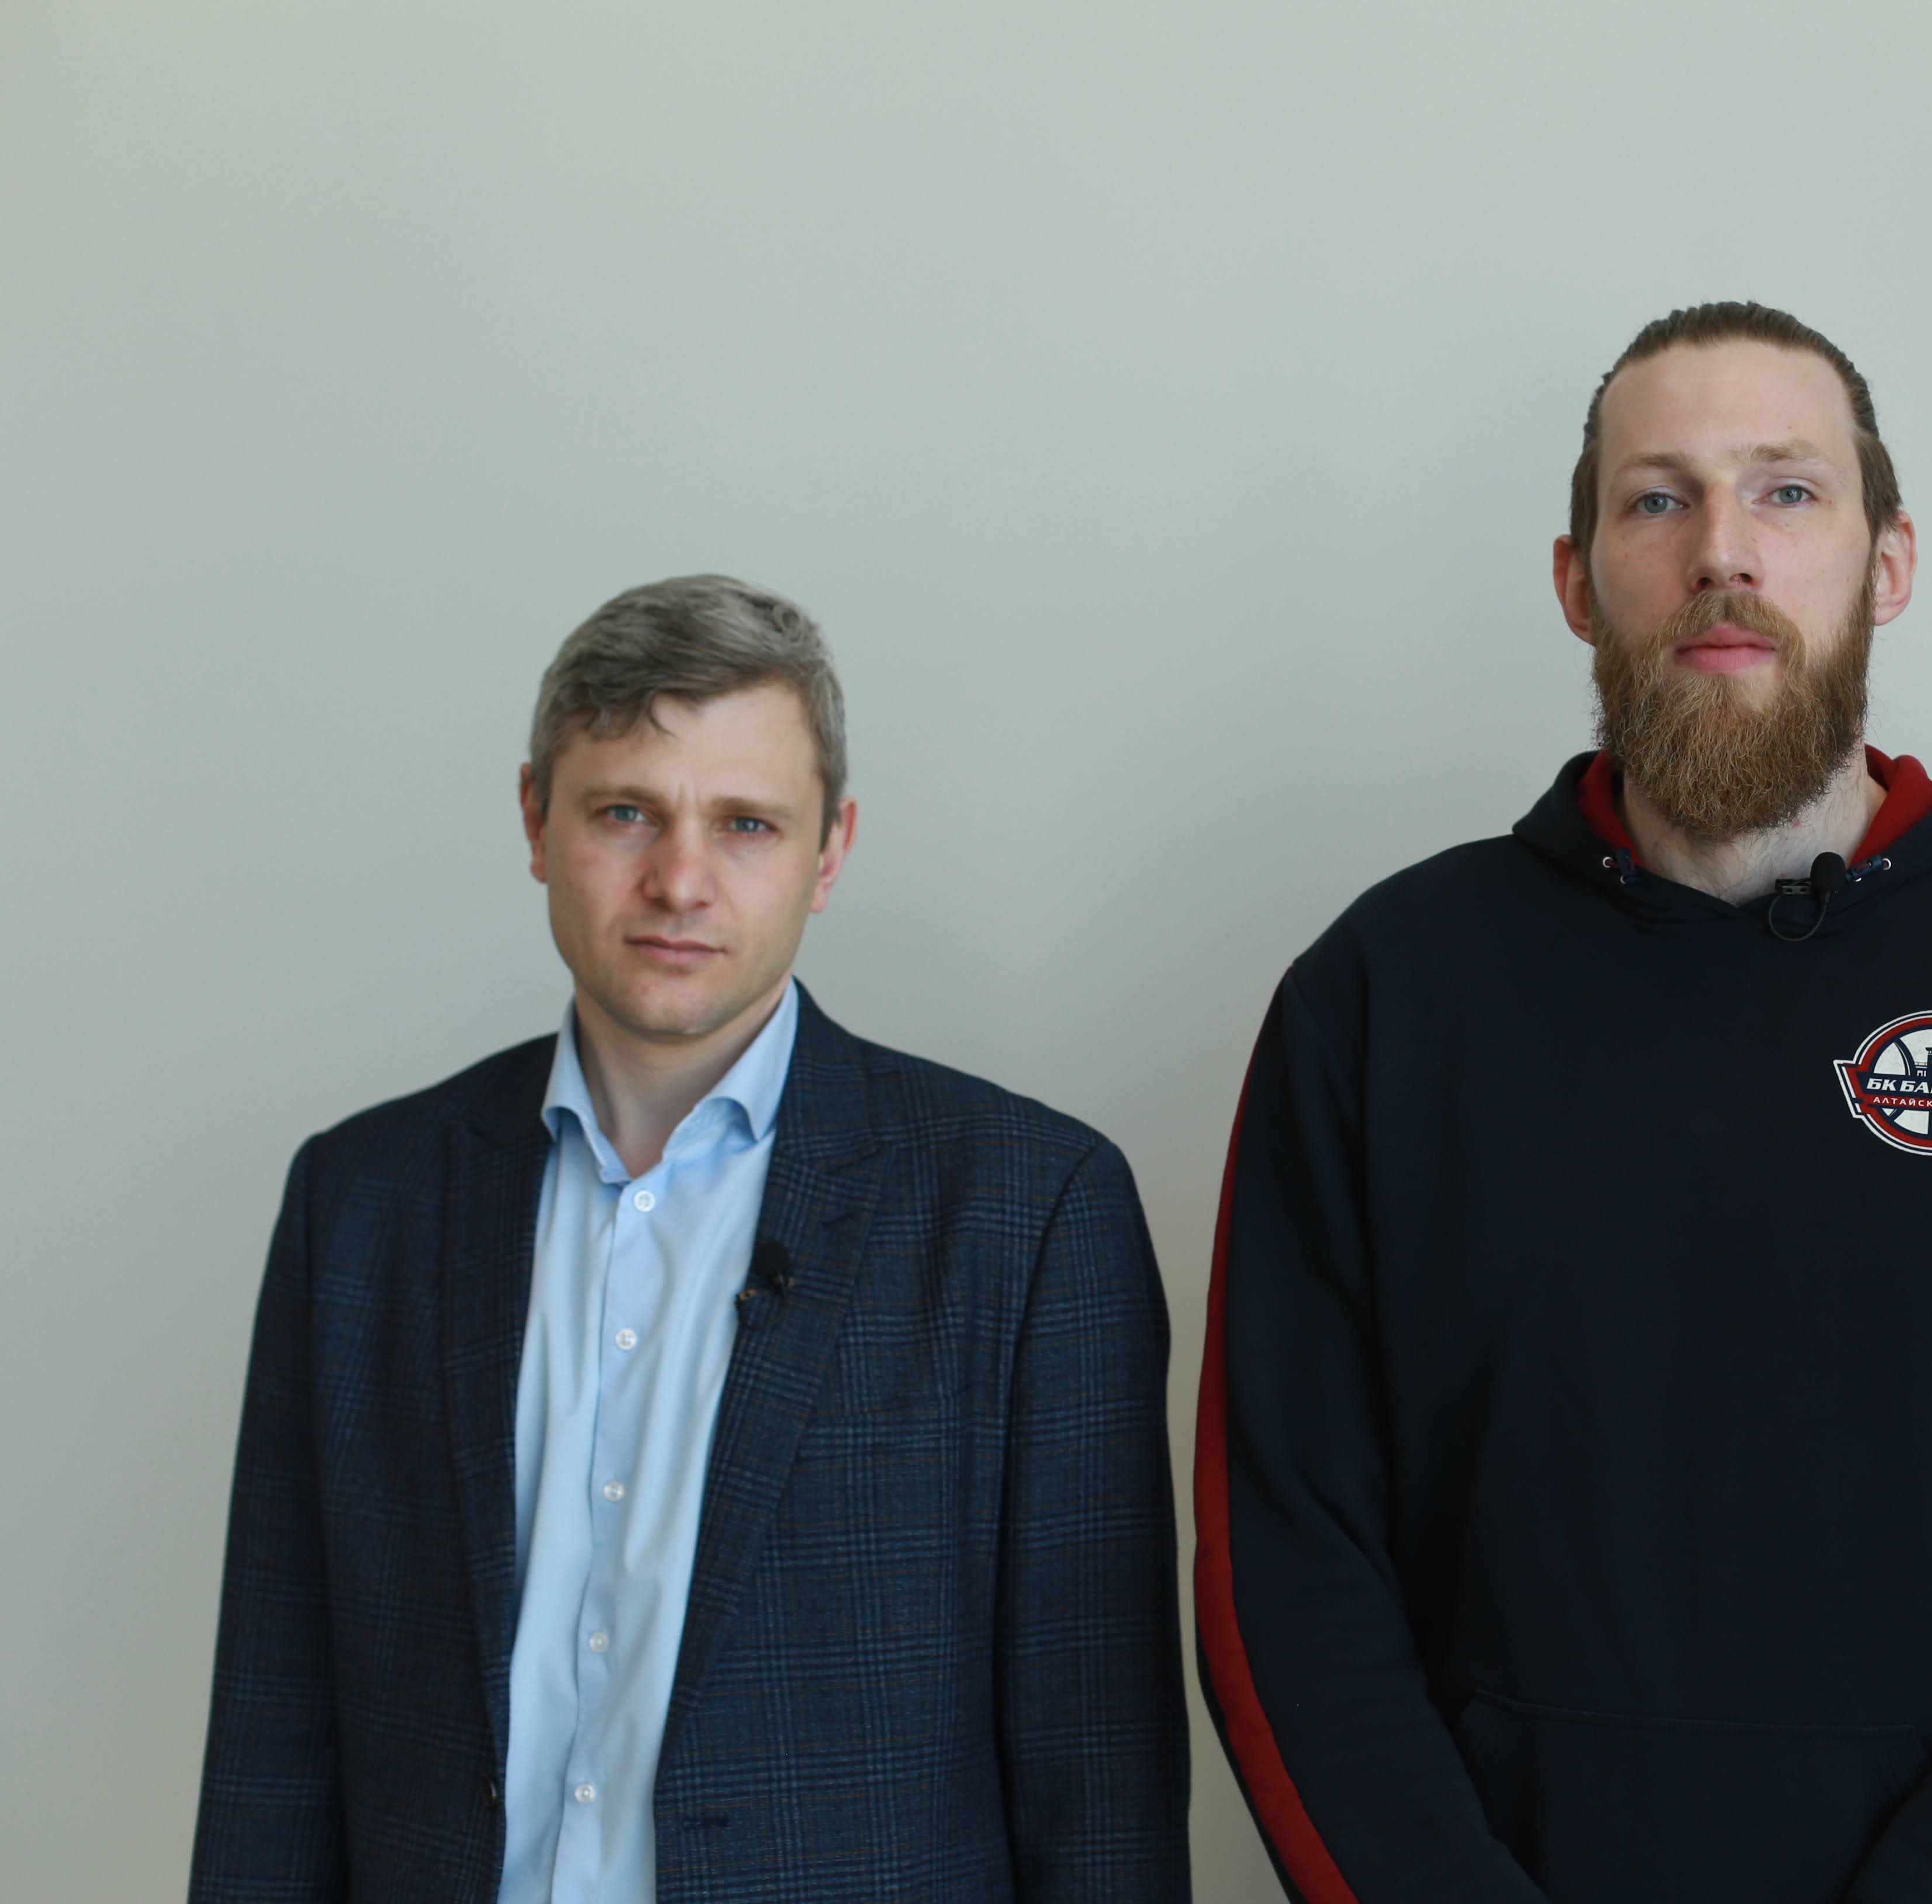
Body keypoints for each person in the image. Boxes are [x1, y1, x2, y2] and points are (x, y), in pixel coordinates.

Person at [1194, 303, 1932, 1903]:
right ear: (1577, 583)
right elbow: (1286, 1561)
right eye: (1657, 498)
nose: (1721, 550)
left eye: (1786, 490)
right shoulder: (1384, 993)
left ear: (1884, 563)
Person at [190, 576, 1190, 1902]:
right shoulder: (358, 1203)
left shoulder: (1028, 1212)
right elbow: (275, 1736)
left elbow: (1098, 1784)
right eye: (625, 812)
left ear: (829, 852)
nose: (678, 880)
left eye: (745, 824)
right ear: (535, 820)